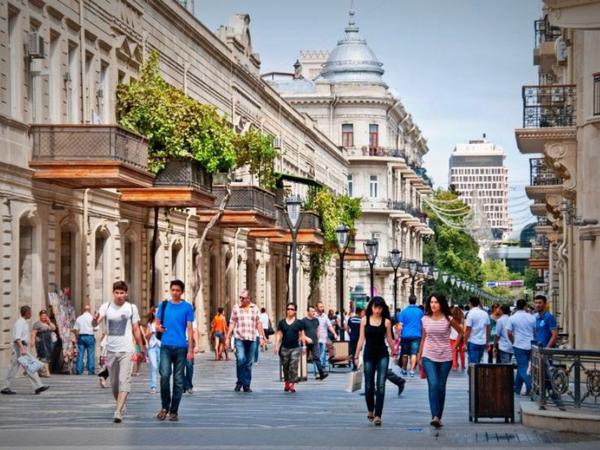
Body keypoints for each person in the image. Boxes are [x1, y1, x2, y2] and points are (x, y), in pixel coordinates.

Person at [92, 281, 145, 423]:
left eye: (122, 293)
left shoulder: (131, 308)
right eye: (117, 292)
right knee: (114, 383)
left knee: (124, 380)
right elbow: (95, 323)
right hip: (111, 350)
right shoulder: (106, 306)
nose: (120, 295)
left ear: (126, 294)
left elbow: (135, 329)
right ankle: (121, 405)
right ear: (113, 293)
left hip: (127, 350)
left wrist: (141, 347)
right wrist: (94, 319)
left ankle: (117, 410)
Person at [417, 293, 464, 429]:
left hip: (445, 357)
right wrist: (420, 354)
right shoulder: (425, 319)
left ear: (441, 304)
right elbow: (423, 338)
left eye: (436, 302)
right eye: (431, 302)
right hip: (428, 356)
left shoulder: (448, 319)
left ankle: (439, 416)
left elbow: (461, 332)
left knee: (441, 387)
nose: (433, 305)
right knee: (433, 384)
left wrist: (454, 347)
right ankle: (435, 417)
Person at [154, 280, 195, 421]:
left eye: (178, 290)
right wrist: (159, 328)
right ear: (170, 290)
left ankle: (174, 411)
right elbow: (156, 324)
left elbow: (190, 329)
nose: (175, 292)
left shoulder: (187, 307)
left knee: (178, 380)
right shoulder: (164, 305)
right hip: (165, 346)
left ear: (182, 292)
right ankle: (165, 406)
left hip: (181, 348)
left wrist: (191, 350)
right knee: (164, 376)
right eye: (173, 290)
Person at [353, 297, 397, 427]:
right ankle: (370, 410)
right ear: (371, 307)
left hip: (382, 354)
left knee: (381, 385)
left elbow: (389, 339)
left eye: (380, 308)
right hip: (369, 355)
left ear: (383, 309)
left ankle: (378, 415)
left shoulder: (387, 322)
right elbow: (361, 339)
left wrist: (394, 351)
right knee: (368, 385)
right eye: (375, 307)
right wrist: (356, 355)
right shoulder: (364, 320)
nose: (377, 310)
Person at [1, 306, 49, 395]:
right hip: (19, 349)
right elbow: (17, 338)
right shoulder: (20, 323)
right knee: (13, 368)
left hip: (22, 348)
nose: (31, 314)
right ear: (26, 313)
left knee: (30, 367)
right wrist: (22, 348)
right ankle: (5, 387)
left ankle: (38, 386)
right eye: (30, 312)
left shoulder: (24, 322)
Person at [225, 289, 266, 393]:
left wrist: (261, 337)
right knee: (240, 359)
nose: (241, 300)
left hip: (252, 338)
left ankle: (246, 385)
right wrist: (227, 337)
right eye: (240, 298)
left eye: (243, 298)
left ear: (248, 299)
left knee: (248, 363)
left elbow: (259, 323)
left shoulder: (255, 308)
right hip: (239, 338)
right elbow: (232, 323)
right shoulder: (236, 308)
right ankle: (240, 381)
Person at [274, 303, 308, 392]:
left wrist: (304, 346)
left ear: (295, 311)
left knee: (293, 366)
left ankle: (292, 384)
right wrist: (276, 345)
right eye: (288, 309)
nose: (289, 311)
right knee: (285, 366)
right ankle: (286, 382)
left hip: (295, 348)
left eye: (292, 309)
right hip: (284, 348)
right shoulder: (282, 322)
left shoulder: (299, 323)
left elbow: (302, 334)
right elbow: (279, 334)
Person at [507, 299, 536, 396]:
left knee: (523, 367)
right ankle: (517, 388)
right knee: (523, 366)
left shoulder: (512, 318)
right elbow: (535, 331)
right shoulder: (531, 317)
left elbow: (509, 333)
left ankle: (530, 388)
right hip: (531, 344)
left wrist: (513, 341)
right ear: (526, 306)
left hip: (518, 344)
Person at [399, 295, 424, 377]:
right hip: (416, 335)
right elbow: (423, 324)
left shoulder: (404, 311)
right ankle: (412, 370)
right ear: (415, 301)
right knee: (414, 353)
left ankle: (404, 369)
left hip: (405, 335)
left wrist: (399, 335)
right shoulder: (420, 312)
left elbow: (400, 325)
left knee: (405, 354)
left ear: (408, 300)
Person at [303, 305, 328, 381]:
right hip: (306, 343)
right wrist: (304, 344)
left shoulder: (316, 320)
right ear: (308, 312)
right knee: (304, 359)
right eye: (312, 311)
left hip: (314, 342)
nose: (314, 312)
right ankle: (301, 374)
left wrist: (318, 338)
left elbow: (318, 329)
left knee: (317, 358)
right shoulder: (303, 321)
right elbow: (302, 333)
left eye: (314, 311)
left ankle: (322, 374)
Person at [464, 296, 490, 365]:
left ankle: (472, 375)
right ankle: (475, 375)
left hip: (473, 342)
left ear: (470, 303)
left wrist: (465, 343)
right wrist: (487, 342)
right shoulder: (485, 313)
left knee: (473, 364)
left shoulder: (470, 314)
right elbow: (488, 329)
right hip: (482, 342)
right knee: (478, 363)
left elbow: (468, 330)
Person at [31, 309, 57, 377]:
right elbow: (33, 333)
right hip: (41, 343)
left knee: (46, 357)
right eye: (42, 316)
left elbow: (54, 328)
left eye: (45, 316)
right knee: (44, 357)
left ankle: (40, 371)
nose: (44, 317)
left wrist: (49, 322)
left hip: (48, 342)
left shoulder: (48, 323)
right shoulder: (37, 324)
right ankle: (47, 372)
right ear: (39, 316)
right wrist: (32, 341)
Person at [315, 302, 338, 372]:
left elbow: (329, 326)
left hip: (324, 338)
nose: (322, 308)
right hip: (316, 338)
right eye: (320, 307)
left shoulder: (325, 316)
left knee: (322, 353)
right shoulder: (314, 316)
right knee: (318, 354)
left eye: (322, 307)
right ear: (317, 308)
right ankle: (320, 368)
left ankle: (321, 367)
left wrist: (334, 333)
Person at [183, 306, 199, 395]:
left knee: (189, 365)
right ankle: (184, 384)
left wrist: (196, 345)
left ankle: (188, 385)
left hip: (189, 343)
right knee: (179, 366)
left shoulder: (192, 318)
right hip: (179, 343)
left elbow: (195, 331)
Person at [144, 310, 160, 394]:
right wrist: (151, 333)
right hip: (152, 347)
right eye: (155, 312)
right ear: (153, 313)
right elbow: (146, 336)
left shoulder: (164, 322)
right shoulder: (150, 323)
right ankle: (153, 386)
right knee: (153, 366)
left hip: (162, 346)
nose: (157, 313)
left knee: (163, 367)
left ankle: (164, 384)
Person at [346, 307, 363, 371]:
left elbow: (347, 328)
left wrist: (350, 334)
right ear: (360, 312)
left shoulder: (351, 319)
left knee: (353, 352)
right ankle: (358, 364)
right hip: (359, 338)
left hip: (352, 337)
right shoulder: (361, 320)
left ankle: (354, 366)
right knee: (359, 351)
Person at [449, 306, 465, 371]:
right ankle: (463, 366)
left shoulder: (451, 319)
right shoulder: (462, 319)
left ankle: (454, 365)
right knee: (462, 352)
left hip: (452, 337)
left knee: (454, 351)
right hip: (461, 338)